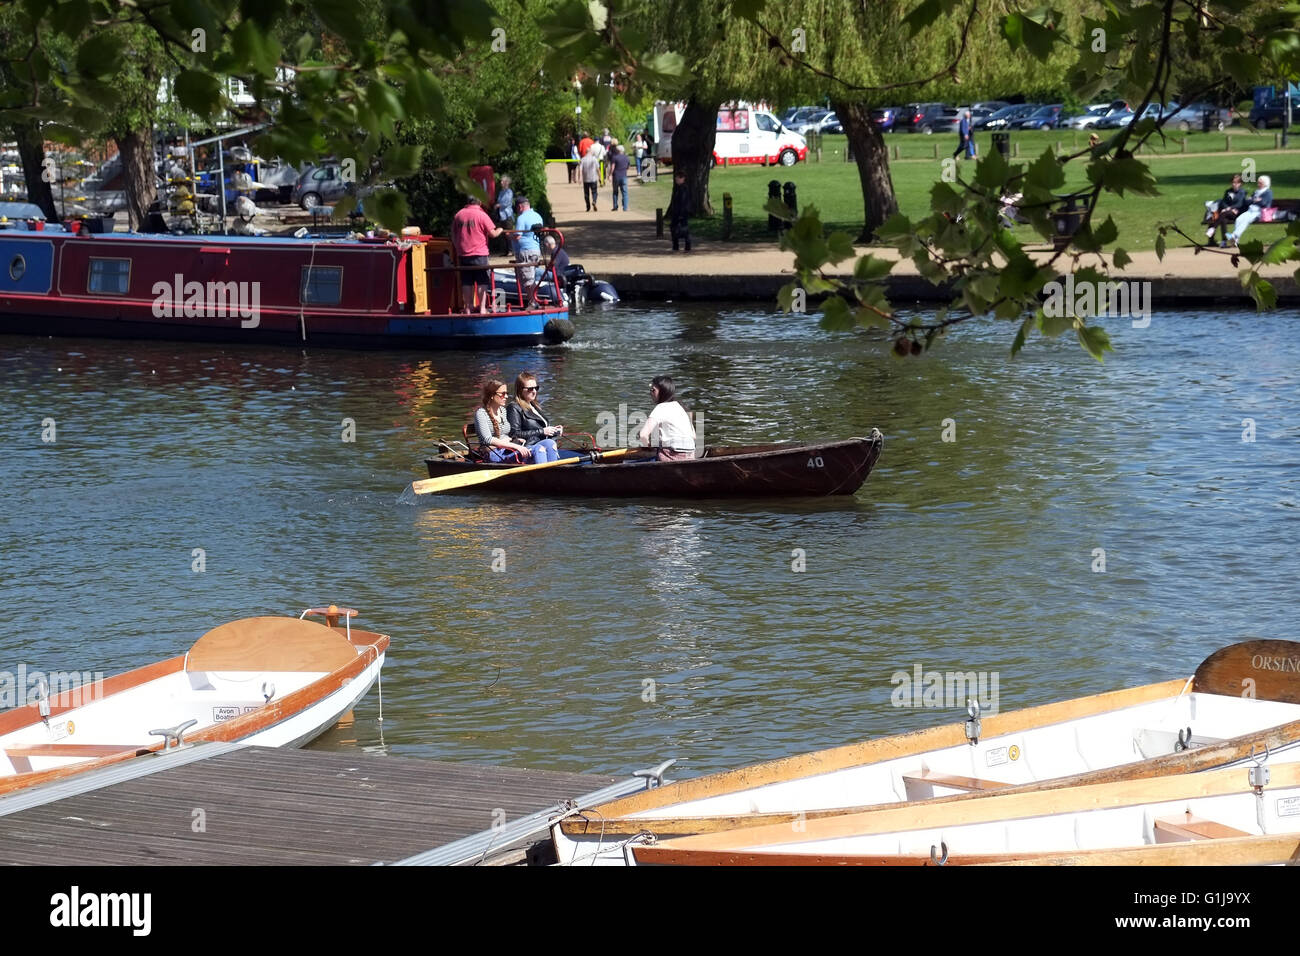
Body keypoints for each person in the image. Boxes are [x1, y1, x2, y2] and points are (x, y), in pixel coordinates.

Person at [451, 196, 503, 313]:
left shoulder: (459, 215)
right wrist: (500, 230)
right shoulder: (481, 215)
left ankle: (468, 307)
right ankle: (483, 308)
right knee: (482, 281)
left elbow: (453, 235)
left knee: (466, 281)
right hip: (479, 254)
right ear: (479, 202)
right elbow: (493, 234)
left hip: (463, 254)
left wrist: (458, 247)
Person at [474, 379, 538, 462]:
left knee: (548, 444)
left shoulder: (503, 411)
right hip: (494, 453)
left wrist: (515, 440)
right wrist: (515, 446)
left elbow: (505, 434)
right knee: (537, 450)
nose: (506, 397)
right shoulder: (481, 413)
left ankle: (549, 473)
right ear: (492, 395)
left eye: (507, 393)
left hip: (508, 449)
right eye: (503, 394)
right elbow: (487, 439)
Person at [506, 372, 562, 464]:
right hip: (528, 447)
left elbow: (541, 428)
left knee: (551, 443)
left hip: (544, 443)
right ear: (520, 390)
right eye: (530, 389)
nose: (534, 391)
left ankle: (552, 473)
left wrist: (554, 430)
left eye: (536, 388)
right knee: (549, 444)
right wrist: (542, 431)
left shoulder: (534, 406)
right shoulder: (514, 407)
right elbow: (514, 433)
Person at [637, 375, 697, 461]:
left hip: (671, 455)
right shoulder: (681, 407)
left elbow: (643, 435)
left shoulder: (661, 407)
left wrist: (647, 447)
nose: (650, 393)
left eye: (653, 390)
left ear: (663, 391)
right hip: (690, 455)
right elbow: (693, 436)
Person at [1223, 175, 1272, 247]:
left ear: (1265, 184)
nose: (1258, 184)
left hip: (1259, 212)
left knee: (1246, 220)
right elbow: (1247, 201)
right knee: (1239, 219)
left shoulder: (1268, 192)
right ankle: (1236, 240)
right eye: (1258, 183)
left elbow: (1263, 203)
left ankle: (1234, 235)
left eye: (1260, 183)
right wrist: (1254, 200)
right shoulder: (1256, 192)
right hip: (1250, 210)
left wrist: (1253, 200)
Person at [1205, 173, 1248, 243]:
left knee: (1223, 214)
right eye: (1233, 182)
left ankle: (1213, 228)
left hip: (1237, 213)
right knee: (1223, 219)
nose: (1234, 184)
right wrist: (1227, 208)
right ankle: (1224, 241)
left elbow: (1240, 204)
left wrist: (1229, 208)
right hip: (1227, 213)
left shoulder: (1242, 192)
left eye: (1237, 183)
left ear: (1240, 183)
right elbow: (1223, 202)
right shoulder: (1228, 191)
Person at [512, 195, 544, 291]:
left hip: (525, 251)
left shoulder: (521, 218)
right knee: (531, 277)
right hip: (536, 250)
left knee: (527, 280)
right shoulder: (538, 216)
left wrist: (509, 235)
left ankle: (533, 302)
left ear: (520, 207)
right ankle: (534, 301)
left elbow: (517, 236)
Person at [669, 170, 692, 252]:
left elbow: (683, 202)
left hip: (681, 212)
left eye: (678, 178)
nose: (676, 179)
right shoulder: (678, 188)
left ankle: (686, 246)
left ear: (682, 178)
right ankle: (676, 246)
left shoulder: (683, 189)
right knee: (674, 228)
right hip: (677, 212)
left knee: (684, 229)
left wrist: (681, 213)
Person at [610, 145, 630, 211]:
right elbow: (628, 167)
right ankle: (625, 207)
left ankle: (615, 206)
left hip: (616, 176)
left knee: (615, 192)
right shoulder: (626, 157)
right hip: (624, 176)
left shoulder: (614, 157)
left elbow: (612, 168)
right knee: (625, 192)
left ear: (617, 150)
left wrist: (610, 175)